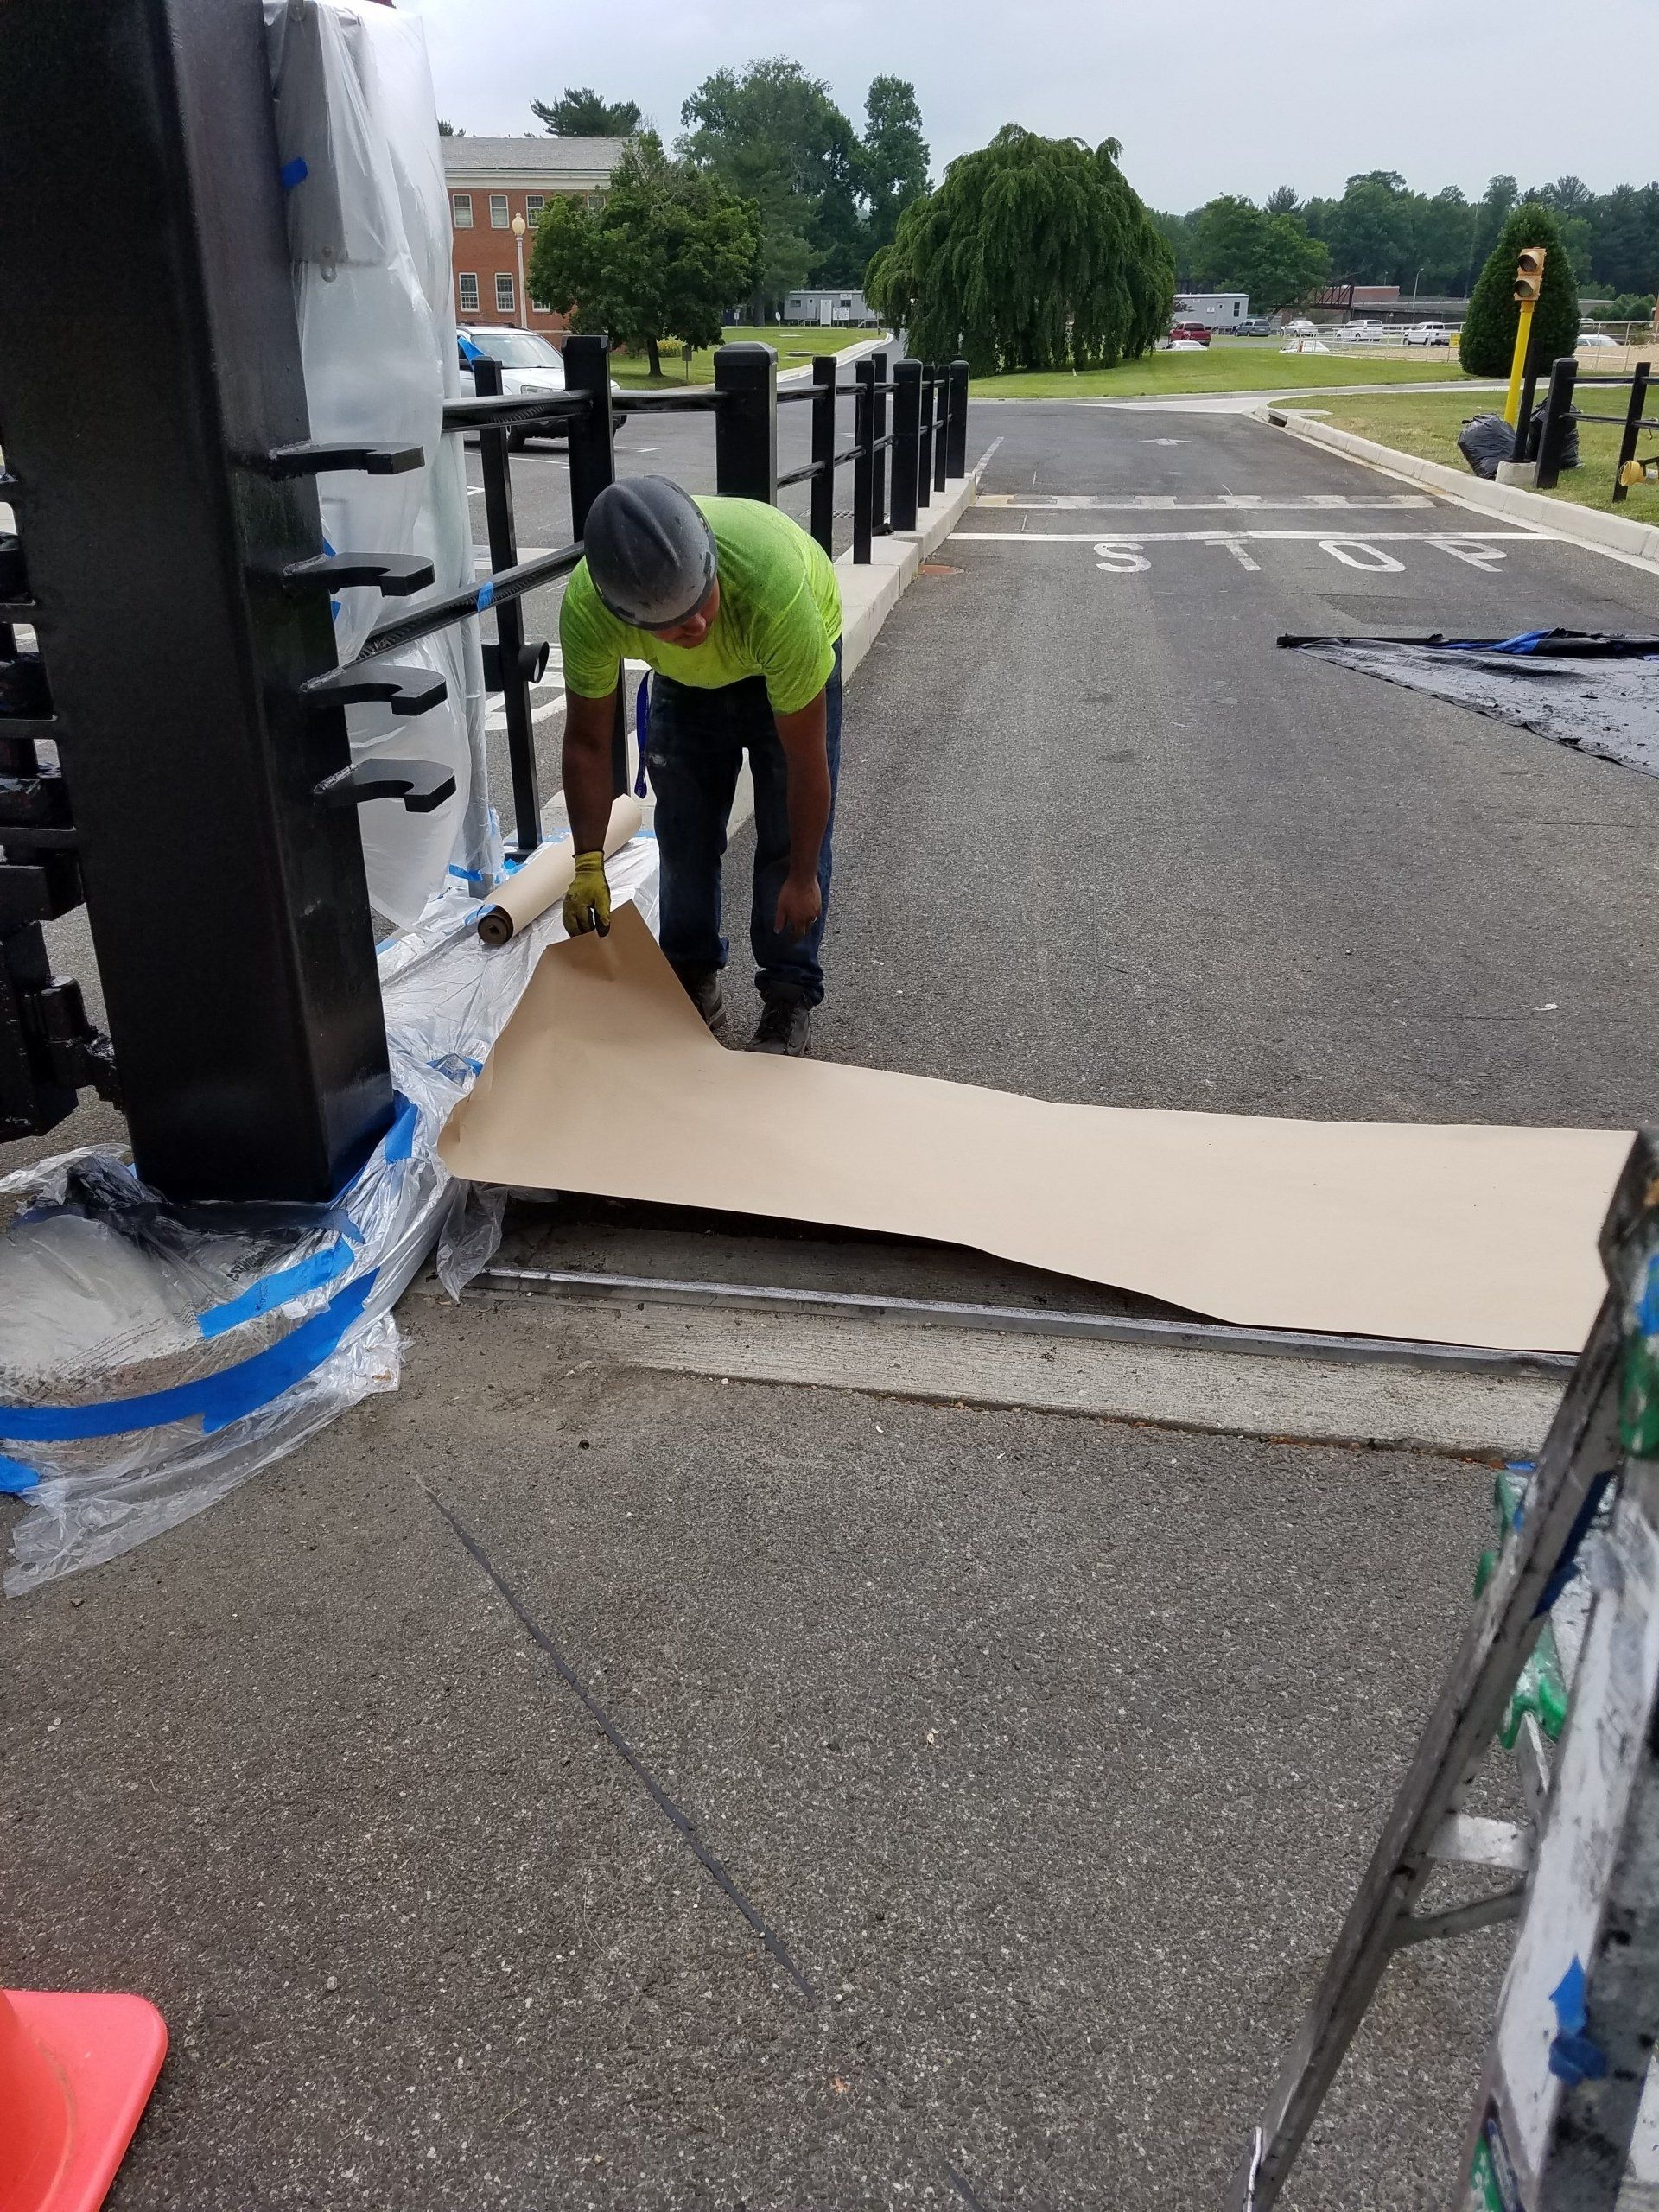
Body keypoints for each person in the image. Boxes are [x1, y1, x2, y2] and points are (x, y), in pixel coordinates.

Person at [557, 476, 842, 1057]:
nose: (697, 628)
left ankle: (788, 992)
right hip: (685, 684)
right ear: (625, 615)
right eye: (672, 622)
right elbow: (587, 741)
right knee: (684, 834)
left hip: (775, 656)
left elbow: (805, 761)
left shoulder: (772, 589)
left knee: (786, 841)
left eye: (699, 602)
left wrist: (804, 877)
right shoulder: (590, 607)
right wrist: (587, 862)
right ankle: (689, 977)